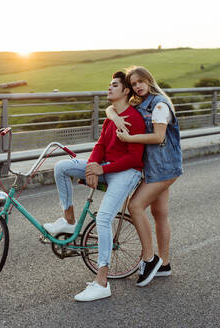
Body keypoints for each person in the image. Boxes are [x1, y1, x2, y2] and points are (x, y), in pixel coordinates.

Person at [43, 71, 145, 301]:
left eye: (114, 85)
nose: (109, 88)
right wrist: (91, 166)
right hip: (106, 167)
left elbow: (134, 158)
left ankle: (102, 283)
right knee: (61, 167)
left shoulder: (134, 118)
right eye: (109, 84)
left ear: (126, 91)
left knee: (103, 218)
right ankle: (69, 221)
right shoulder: (111, 117)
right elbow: (100, 145)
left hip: (126, 172)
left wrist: (102, 170)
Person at [106, 66, 183, 287]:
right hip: (155, 168)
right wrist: (113, 116)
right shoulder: (141, 103)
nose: (138, 86)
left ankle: (150, 260)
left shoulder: (158, 104)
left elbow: (159, 137)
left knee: (135, 205)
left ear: (149, 80)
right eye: (134, 83)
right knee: (160, 213)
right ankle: (165, 264)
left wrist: (129, 140)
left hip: (164, 168)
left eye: (141, 81)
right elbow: (111, 109)